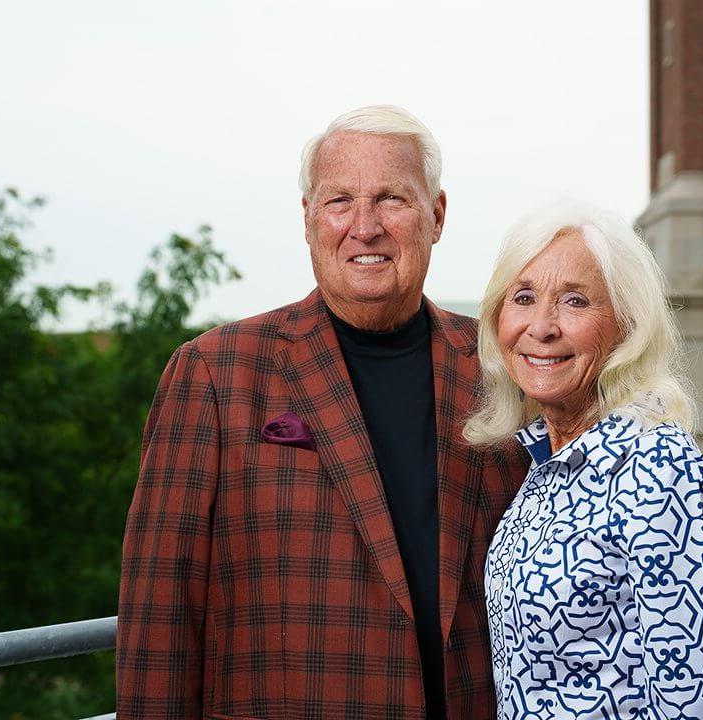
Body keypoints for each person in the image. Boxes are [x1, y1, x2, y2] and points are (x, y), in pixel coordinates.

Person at [116, 105, 528, 719]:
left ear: (436, 216)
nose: (364, 227)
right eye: (339, 201)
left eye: (392, 198)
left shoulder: (504, 367)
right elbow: (160, 613)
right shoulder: (214, 373)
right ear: (308, 220)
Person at [465, 202, 703, 719]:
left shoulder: (655, 469)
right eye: (523, 298)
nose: (542, 326)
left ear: (627, 325)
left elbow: (696, 700)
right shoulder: (549, 463)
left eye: (575, 301)